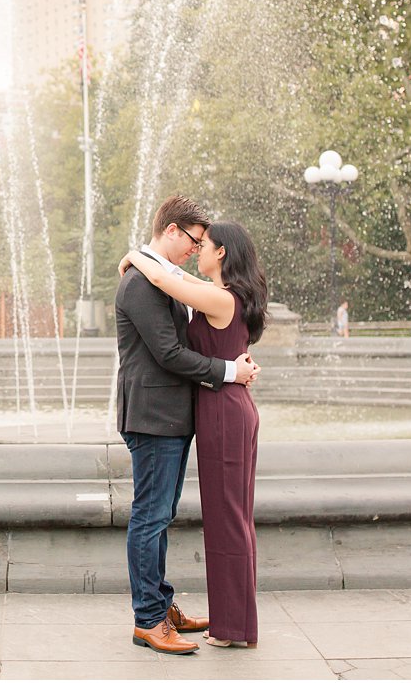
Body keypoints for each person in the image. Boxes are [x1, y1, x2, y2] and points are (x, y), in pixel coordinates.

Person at [114, 195, 258, 656]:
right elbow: (169, 354)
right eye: (193, 240)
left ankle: (161, 603)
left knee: (161, 515)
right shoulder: (139, 283)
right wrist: (230, 372)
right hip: (153, 418)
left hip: (173, 418)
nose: (196, 250)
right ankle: (148, 619)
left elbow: (178, 283)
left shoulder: (164, 277)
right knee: (149, 516)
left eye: (204, 244)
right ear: (172, 231)